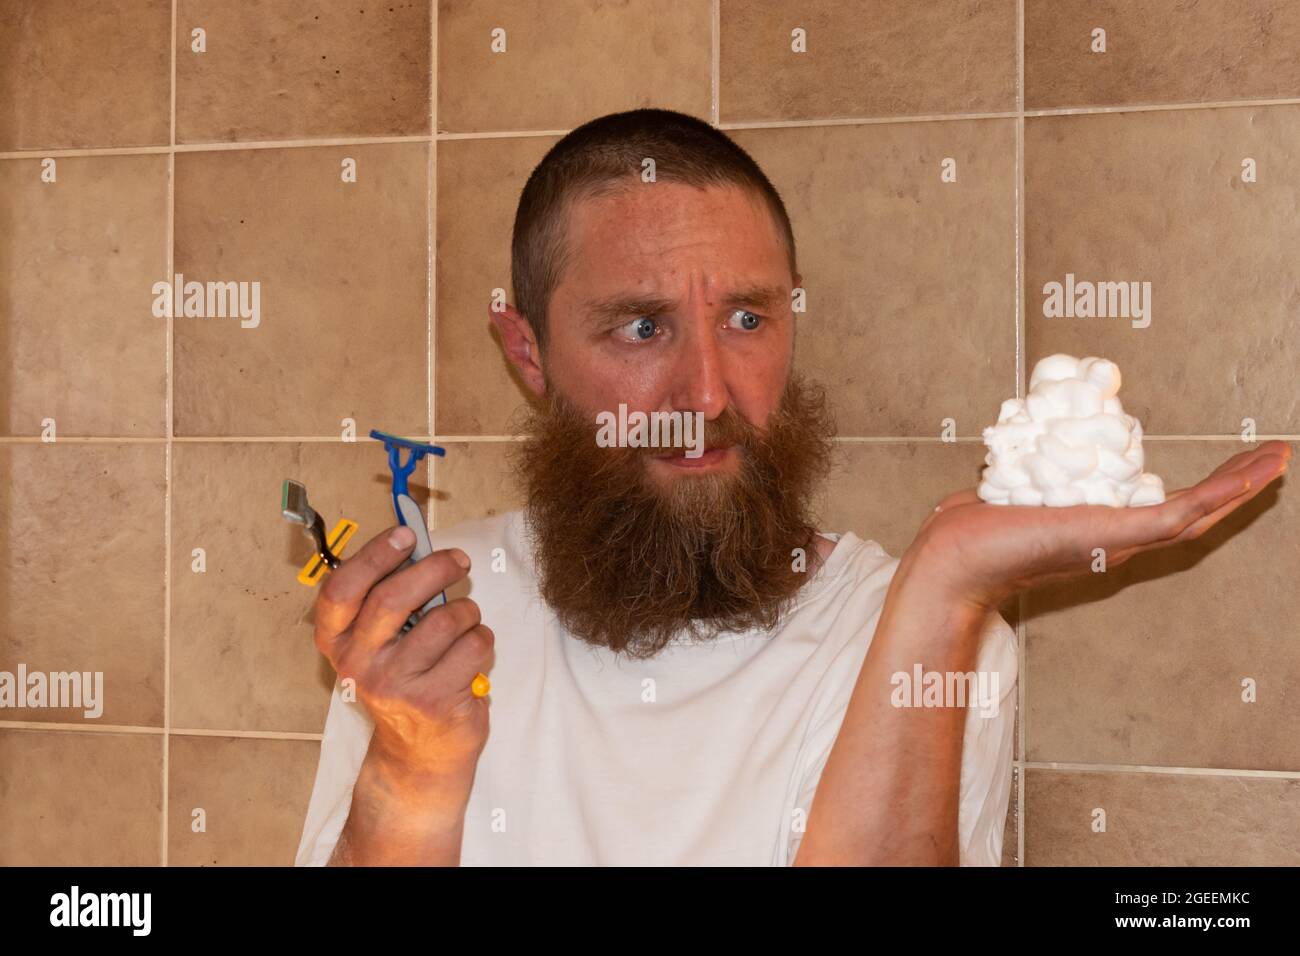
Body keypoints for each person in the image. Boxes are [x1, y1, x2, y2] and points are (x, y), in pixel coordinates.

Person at [294, 108, 1291, 866]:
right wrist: (413, 772)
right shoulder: (428, 626)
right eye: (641, 327)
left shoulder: (915, 631)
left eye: (747, 320)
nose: (706, 391)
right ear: (528, 351)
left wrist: (943, 592)